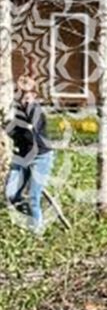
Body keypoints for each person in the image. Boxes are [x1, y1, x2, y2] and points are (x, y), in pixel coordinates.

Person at [4, 76, 54, 233]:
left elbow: (32, 130)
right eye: (21, 94)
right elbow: (11, 130)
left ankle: (37, 233)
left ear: (35, 96)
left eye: (28, 95)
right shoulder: (16, 111)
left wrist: (28, 106)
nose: (24, 98)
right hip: (22, 156)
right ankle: (26, 221)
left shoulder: (36, 111)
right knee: (11, 193)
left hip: (41, 157)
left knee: (34, 197)